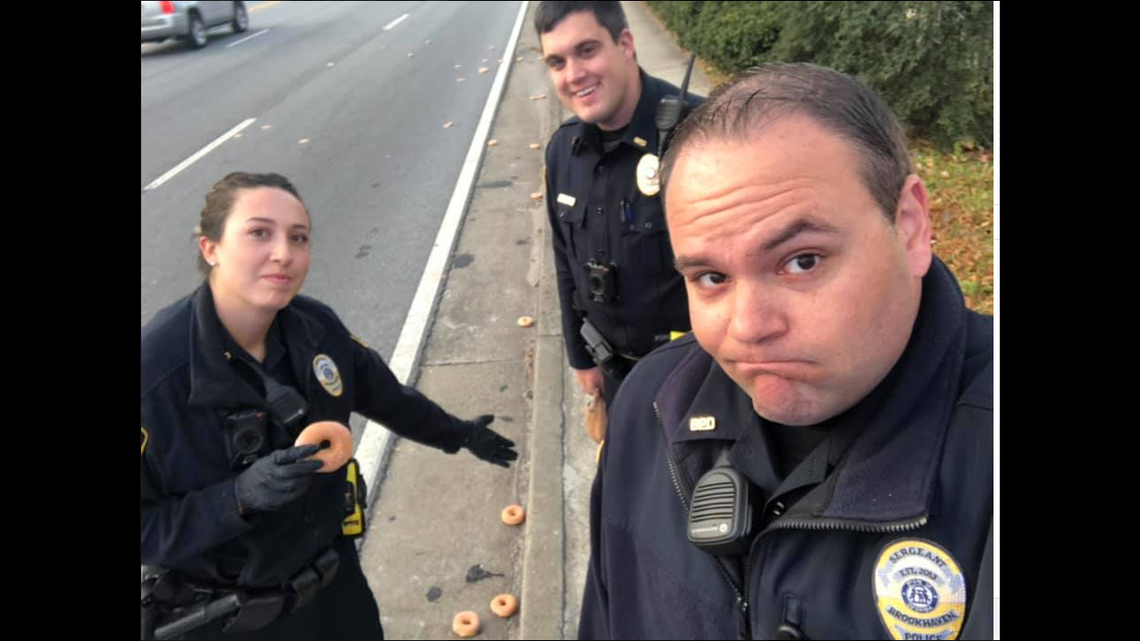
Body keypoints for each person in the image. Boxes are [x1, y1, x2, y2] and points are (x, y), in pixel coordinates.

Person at [578, 63, 994, 640]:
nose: (748, 328)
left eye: (802, 261)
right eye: (711, 277)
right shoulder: (648, 405)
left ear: (909, 225)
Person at [141, 172, 517, 640]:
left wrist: (458, 434)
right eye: (259, 232)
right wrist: (236, 499)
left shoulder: (316, 328)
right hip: (227, 619)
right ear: (210, 248)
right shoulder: (154, 376)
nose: (284, 252)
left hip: (335, 591)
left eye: (298, 237)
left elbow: (385, 395)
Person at [537, 1, 702, 409]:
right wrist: (580, 356)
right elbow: (564, 262)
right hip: (615, 376)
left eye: (587, 50)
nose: (574, 75)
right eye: (557, 62)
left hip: (698, 379)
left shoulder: (700, 134)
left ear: (625, 44)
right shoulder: (563, 150)